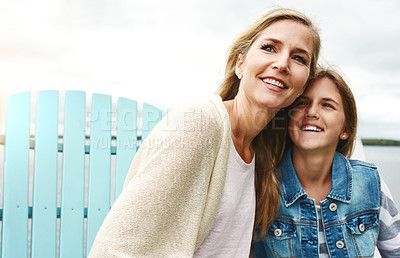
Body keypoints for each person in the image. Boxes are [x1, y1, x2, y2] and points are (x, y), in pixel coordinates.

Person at [89, 8, 321, 257]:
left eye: (299, 58)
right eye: (269, 48)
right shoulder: (199, 125)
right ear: (239, 64)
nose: (282, 63)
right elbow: (116, 249)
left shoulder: (261, 152)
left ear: (302, 86)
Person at [253, 67, 400, 257]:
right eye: (302, 102)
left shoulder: (370, 183)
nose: (312, 112)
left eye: (327, 105)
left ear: (345, 129)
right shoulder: (263, 186)